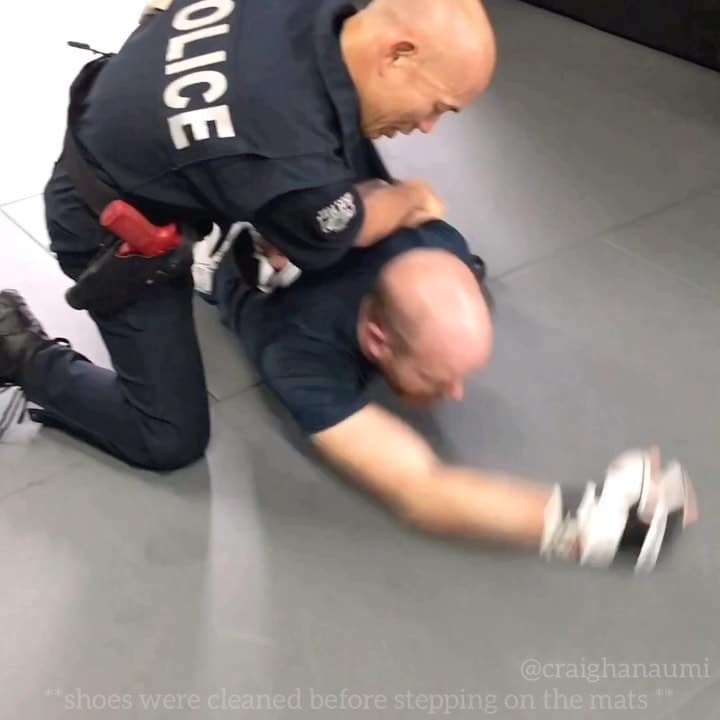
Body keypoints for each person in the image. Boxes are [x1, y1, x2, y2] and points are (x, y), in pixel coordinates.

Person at [0, 217, 698, 572]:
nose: (458, 394)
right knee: (169, 438)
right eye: (441, 377)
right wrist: (586, 525)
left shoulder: (438, 241)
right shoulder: (300, 353)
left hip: (309, 215)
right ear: (375, 337)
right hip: (137, 218)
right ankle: (20, 351)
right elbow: (421, 487)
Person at [1, 0, 497, 468]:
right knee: (167, 436)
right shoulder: (287, 150)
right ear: (398, 53)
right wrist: (412, 198)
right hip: (105, 221)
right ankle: (16, 349)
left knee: (341, 156)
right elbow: (351, 220)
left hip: (136, 116)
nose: (428, 126)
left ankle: (252, 228)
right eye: (436, 106)